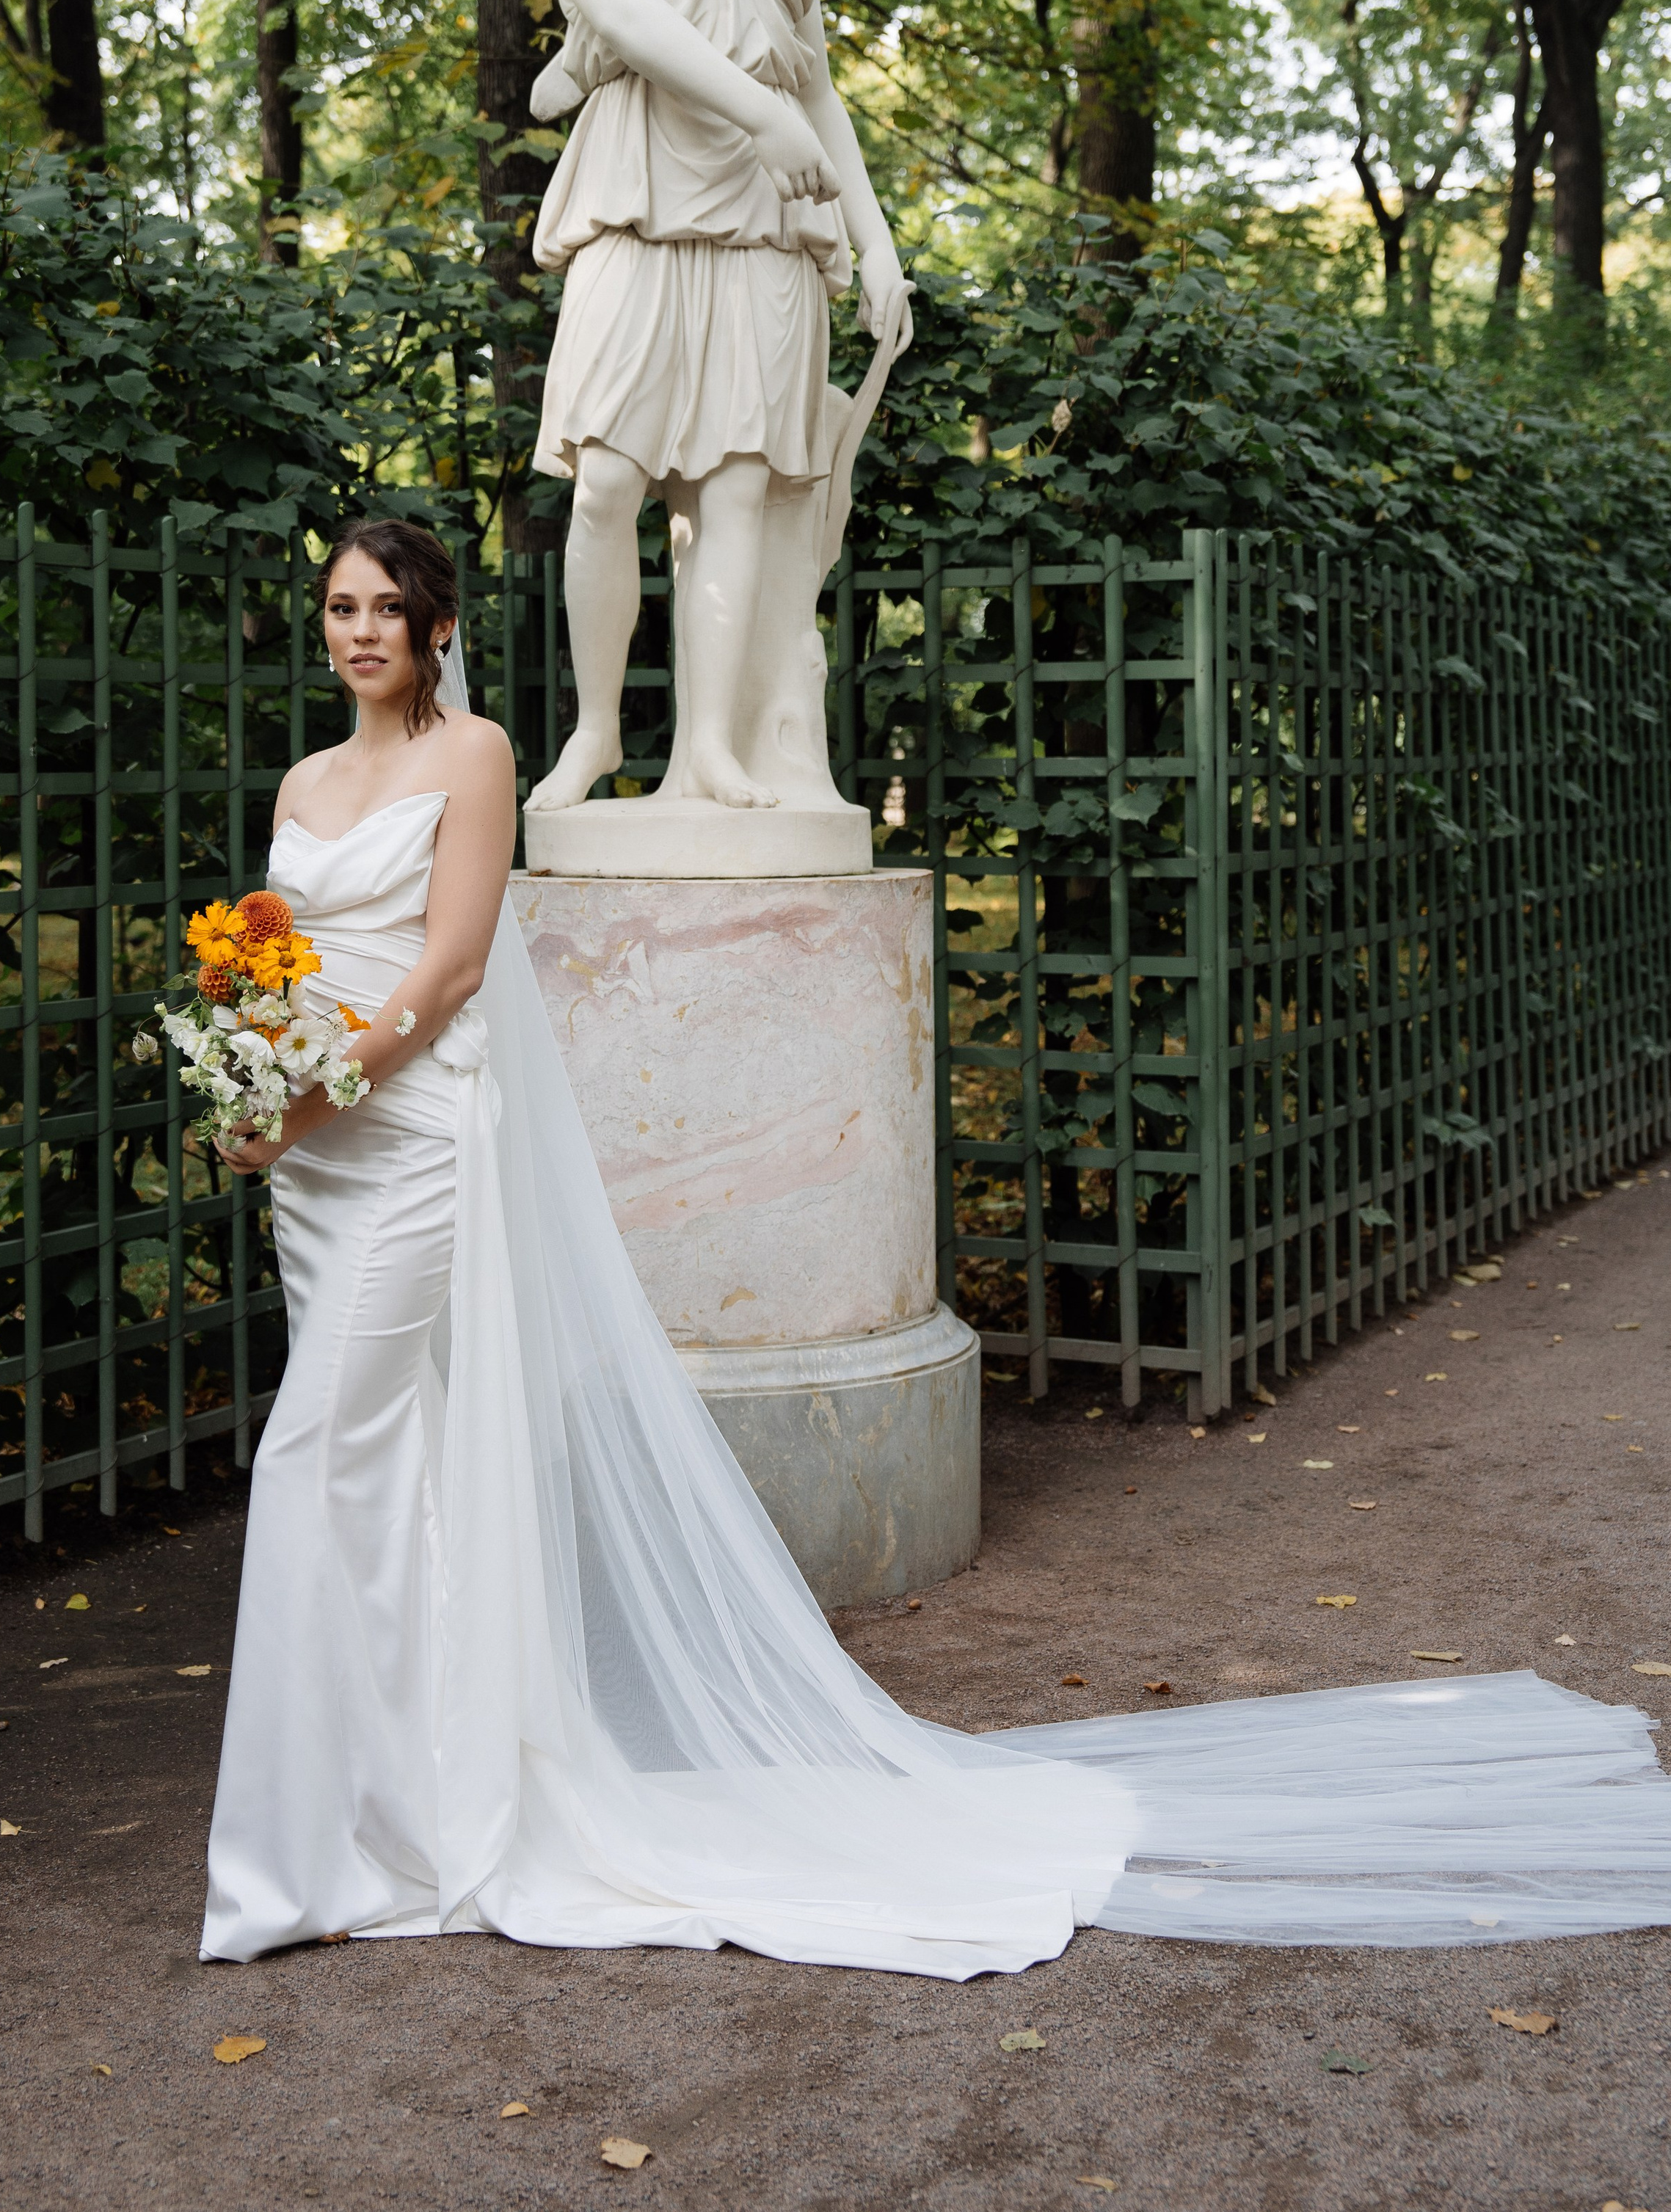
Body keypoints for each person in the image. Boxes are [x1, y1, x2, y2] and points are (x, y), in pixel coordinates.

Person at [201, 514, 1671, 1971]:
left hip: (404, 1141)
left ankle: (300, 1854)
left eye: (386, 606)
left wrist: (309, 1097)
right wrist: (250, 1070)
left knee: (313, 1447)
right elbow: (284, 960)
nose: (361, 630)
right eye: (341, 607)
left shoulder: (473, 754)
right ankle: (393, 1800)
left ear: (437, 625)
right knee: (389, 1465)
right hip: (312, 1165)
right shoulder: (304, 780)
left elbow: (455, 964)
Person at [523, 0, 914, 817]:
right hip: (636, 194)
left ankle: (710, 750)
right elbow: (621, 13)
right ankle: (595, 732)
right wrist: (760, 115)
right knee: (606, 480)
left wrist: (876, 241)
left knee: (738, 490)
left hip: (765, 221)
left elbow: (818, 91)